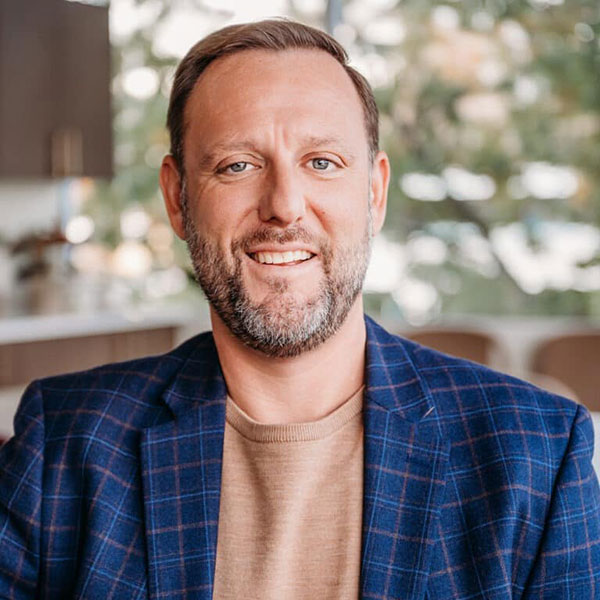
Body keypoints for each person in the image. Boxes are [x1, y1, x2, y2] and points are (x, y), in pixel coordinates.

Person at [1, 18, 599, 600]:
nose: (284, 206)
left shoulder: (537, 455)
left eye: (322, 162)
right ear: (177, 199)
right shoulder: (63, 442)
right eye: (238, 165)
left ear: (375, 193)